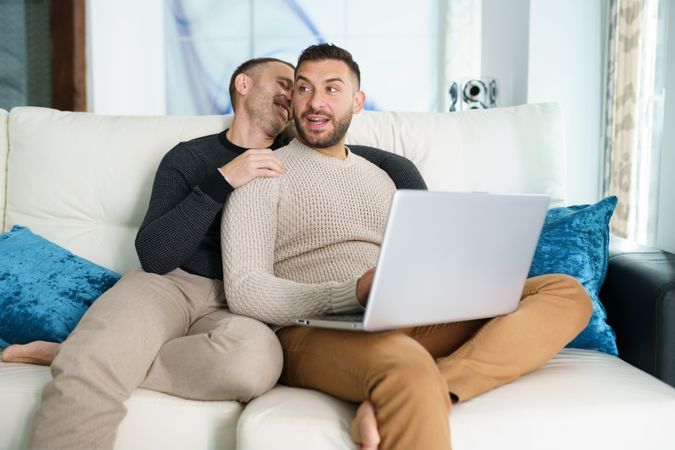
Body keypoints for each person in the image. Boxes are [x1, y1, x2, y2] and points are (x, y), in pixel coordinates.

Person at [17, 57, 425, 450]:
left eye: (299, 88)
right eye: (288, 83)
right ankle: (98, 357)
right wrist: (223, 180)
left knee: (255, 364)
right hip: (170, 286)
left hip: (237, 301)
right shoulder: (189, 157)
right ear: (243, 84)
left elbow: (350, 154)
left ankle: (101, 355)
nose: (296, 96)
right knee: (91, 368)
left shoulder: (295, 156)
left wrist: (405, 178)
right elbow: (155, 256)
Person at [220, 43, 594, 450]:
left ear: (357, 101)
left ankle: (440, 385)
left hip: (400, 317)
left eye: (332, 89)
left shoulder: (382, 177)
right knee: (405, 364)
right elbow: (244, 289)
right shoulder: (261, 174)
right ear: (291, 98)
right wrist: (349, 293)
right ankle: (417, 381)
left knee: (565, 292)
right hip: (311, 331)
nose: (315, 103)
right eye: (304, 88)